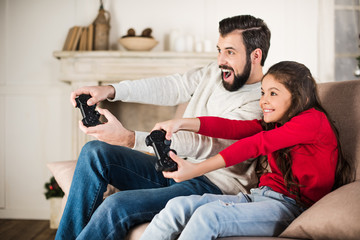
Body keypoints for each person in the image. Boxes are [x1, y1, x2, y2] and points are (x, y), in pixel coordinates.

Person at [55, 15, 271, 240]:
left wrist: (130, 138)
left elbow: (210, 145)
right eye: (219, 50)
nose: (221, 60)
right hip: (174, 166)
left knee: (116, 205)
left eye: (230, 52)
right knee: (94, 153)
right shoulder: (215, 73)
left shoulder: (262, 101)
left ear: (256, 55)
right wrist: (111, 90)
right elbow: (173, 85)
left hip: (211, 185)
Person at [139, 61, 355, 240]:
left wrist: (196, 169)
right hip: (260, 196)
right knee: (178, 206)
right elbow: (233, 128)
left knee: (208, 216)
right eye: (262, 93)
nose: (263, 101)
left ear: (299, 97)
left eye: (273, 93)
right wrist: (180, 123)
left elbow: (256, 144)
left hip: (289, 208)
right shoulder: (278, 122)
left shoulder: (312, 121)